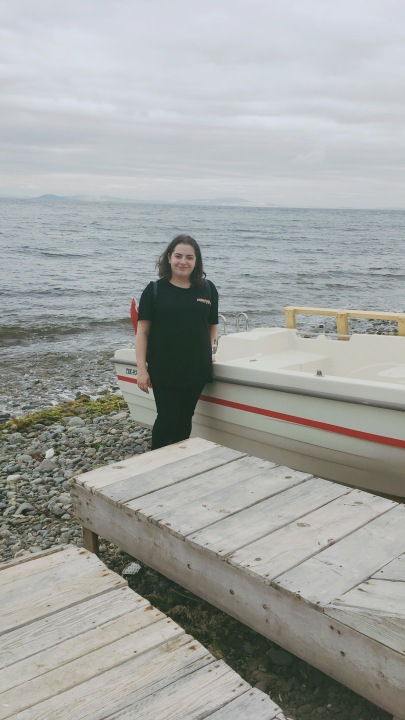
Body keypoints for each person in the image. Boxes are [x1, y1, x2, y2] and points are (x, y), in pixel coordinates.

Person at [136, 234, 219, 450]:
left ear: (196, 261)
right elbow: (142, 332)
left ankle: (178, 460)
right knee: (167, 417)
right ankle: (157, 460)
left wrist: (206, 351)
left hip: (197, 368)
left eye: (189, 257)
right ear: (169, 258)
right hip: (164, 368)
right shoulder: (154, 290)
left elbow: (212, 325)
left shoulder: (208, 289)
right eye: (178, 256)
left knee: (185, 417)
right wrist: (141, 370)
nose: (183, 261)